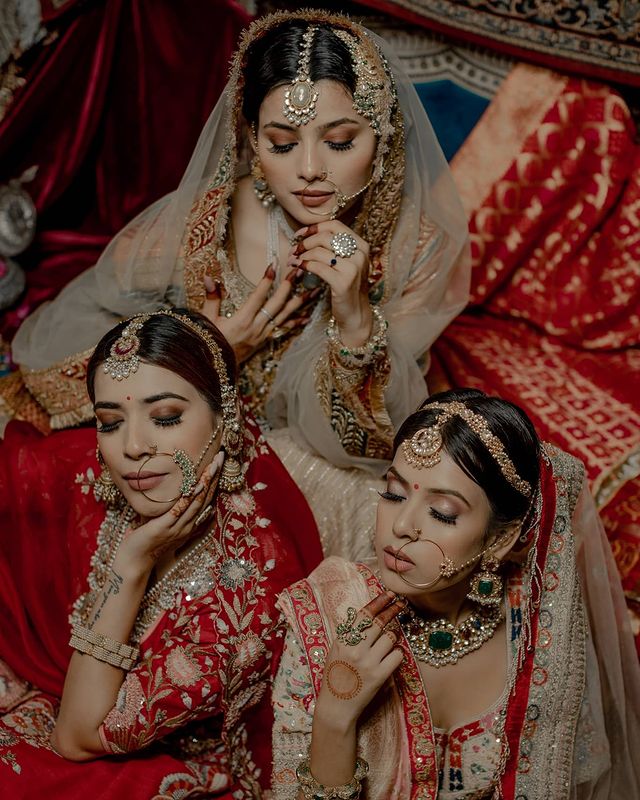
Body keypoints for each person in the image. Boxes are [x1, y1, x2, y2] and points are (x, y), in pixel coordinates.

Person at [0, 10, 469, 558]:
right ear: (251, 138)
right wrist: (208, 350)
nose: (310, 170)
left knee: (396, 522)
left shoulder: (419, 247)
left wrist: (355, 315)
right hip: (182, 436)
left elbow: (371, 443)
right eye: (281, 142)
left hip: (311, 456)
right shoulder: (201, 226)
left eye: (340, 142)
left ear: (383, 135)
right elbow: (62, 348)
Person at [0, 309, 321, 798]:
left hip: (150, 759)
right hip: (50, 685)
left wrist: (130, 569)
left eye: (166, 417)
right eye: (109, 422)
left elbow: (77, 738)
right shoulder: (116, 477)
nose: (133, 446)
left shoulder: (247, 601)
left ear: (226, 415)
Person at [271, 388, 640, 799]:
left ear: (501, 539)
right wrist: (336, 715)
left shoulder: (538, 627)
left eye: (442, 512)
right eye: (393, 493)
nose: (402, 525)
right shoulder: (328, 613)